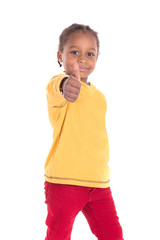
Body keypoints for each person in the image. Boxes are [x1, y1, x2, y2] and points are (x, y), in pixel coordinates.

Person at [44, 23, 124, 240]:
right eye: (74, 52)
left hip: (98, 184)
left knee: (114, 235)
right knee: (58, 236)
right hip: (64, 182)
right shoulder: (58, 85)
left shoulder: (100, 97)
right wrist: (65, 86)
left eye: (90, 53)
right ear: (60, 56)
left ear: (97, 58)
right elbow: (57, 88)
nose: (83, 59)